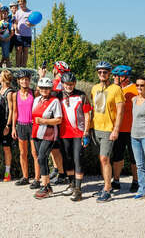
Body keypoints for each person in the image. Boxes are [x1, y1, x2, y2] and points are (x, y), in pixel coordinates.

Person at [90, 61, 124, 202]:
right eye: (100, 72)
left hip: (108, 129)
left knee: (105, 158)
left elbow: (121, 112)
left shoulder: (116, 89)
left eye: (105, 72)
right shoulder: (95, 88)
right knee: (102, 159)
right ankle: (106, 184)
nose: (102, 74)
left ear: (109, 73)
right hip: (96, 128)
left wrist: (116, 130)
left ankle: (107, 189)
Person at [57, 72, 91, 202]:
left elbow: (88, 114)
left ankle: (78, 189)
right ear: (63, 84)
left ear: (74, 84)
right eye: (66, 84)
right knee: (68, 159)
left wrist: (86, 132)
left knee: (78, 159)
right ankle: (71, 184)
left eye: (71, 84)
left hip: (78, 133)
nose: (69, 86)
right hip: (64, 134)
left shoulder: (81, 95)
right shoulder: (58, 96)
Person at [32, 77, 63, 199]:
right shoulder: (36, 100)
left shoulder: (55, 101)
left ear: (50, 89)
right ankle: (48, 186)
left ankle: (45, 186)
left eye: (47, 88)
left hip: (49, 134)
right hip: (36, 133)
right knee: (41, 159)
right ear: (39, 88)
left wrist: (43, 121)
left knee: (41, 157)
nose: (44, 90)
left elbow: (59, 119)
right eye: (42, 88)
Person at [111, 65, 139, 192]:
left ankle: (136, 181)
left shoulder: (134, 89)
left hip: (133, 129)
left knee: (135, 157)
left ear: (125, 77)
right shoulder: (114, 89)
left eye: (116, 76)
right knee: (117, 156)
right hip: (118, 129)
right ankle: (116, 180)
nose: (114, 78)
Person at [12, 70, 39, 187]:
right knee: (23, 153)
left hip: (32, 126)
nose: (24, 81)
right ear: (18, 81)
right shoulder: (15, 95)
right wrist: (13, 127)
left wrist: (41, 75)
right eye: (22, 79)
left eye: (27, 79)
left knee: (35, 153)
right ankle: (25, 177)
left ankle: (37, 179)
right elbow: (14, 112)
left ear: (29, 81)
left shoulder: (34, 93)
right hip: (21, 125)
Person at [13, 0, 33, 67]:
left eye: (22, 3)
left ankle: (24, 66)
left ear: (25, 3)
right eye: (20, 4)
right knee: (18, 50)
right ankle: (18, 66)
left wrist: (31, 24)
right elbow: (15, 22)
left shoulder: (30, 12)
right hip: (18, 34)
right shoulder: (18, 12)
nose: (21, 5)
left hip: (27, 34)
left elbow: (33, 23)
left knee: (25, 51)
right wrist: (16, 29)